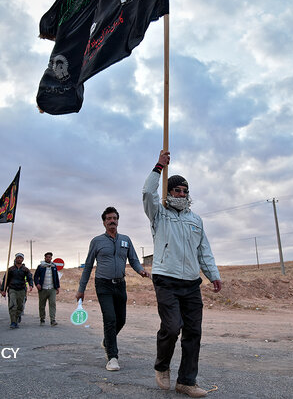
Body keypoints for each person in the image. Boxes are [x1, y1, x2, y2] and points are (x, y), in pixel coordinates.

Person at [142, 150, 222, 398]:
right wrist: (158, 166)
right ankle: (162, 366)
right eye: (177, 190)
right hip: (166, 279)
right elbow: (147, 193)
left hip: (191, 283)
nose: (182, 194)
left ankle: (186, 381)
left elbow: (204, 250)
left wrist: (213, 274)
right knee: (172, 326)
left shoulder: (196, 220)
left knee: (193, 332)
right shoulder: (159, 215)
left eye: (185, 191)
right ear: (169, 192)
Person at [76, 207, 149, 372]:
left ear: (118, 220)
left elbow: (134, 260)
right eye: (109, 218)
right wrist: (81, 289)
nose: (112, 221)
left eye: (115, 218)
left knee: (121, 319)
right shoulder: (97, 241)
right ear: (104, 222)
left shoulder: (126, 240)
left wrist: (141, 271)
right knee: (110, 319)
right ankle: (112, 357)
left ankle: (107, 341)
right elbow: (88, 266)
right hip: (103, 285)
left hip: (120, 284)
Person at [1, 253, 33, 329]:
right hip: (12, 289)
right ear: (15, 259)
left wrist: (31, 285)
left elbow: (29, 278)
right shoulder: (10, 269)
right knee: (12, 305)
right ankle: (13, 322)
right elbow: (5, 280)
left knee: (20, 306)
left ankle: (17, 316)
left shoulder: (25, 269)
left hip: (21, 289)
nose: (19, 259)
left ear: (22, 259)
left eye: (20, 258)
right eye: (18, 258)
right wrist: (3, 290)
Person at [34, 252, 60, 326]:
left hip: (52, 289)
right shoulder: (41, 266)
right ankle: (42, 319)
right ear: (44, 258)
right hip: (43, 289)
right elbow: (35, 277)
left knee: (52, 304)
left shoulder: (54, 266)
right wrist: (37, 284)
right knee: (42, 305)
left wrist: (57, 287)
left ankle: (53, 320)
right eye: (47, 257)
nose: (48, 258)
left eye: (49, 257)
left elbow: (56, 277)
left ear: (51, 258)